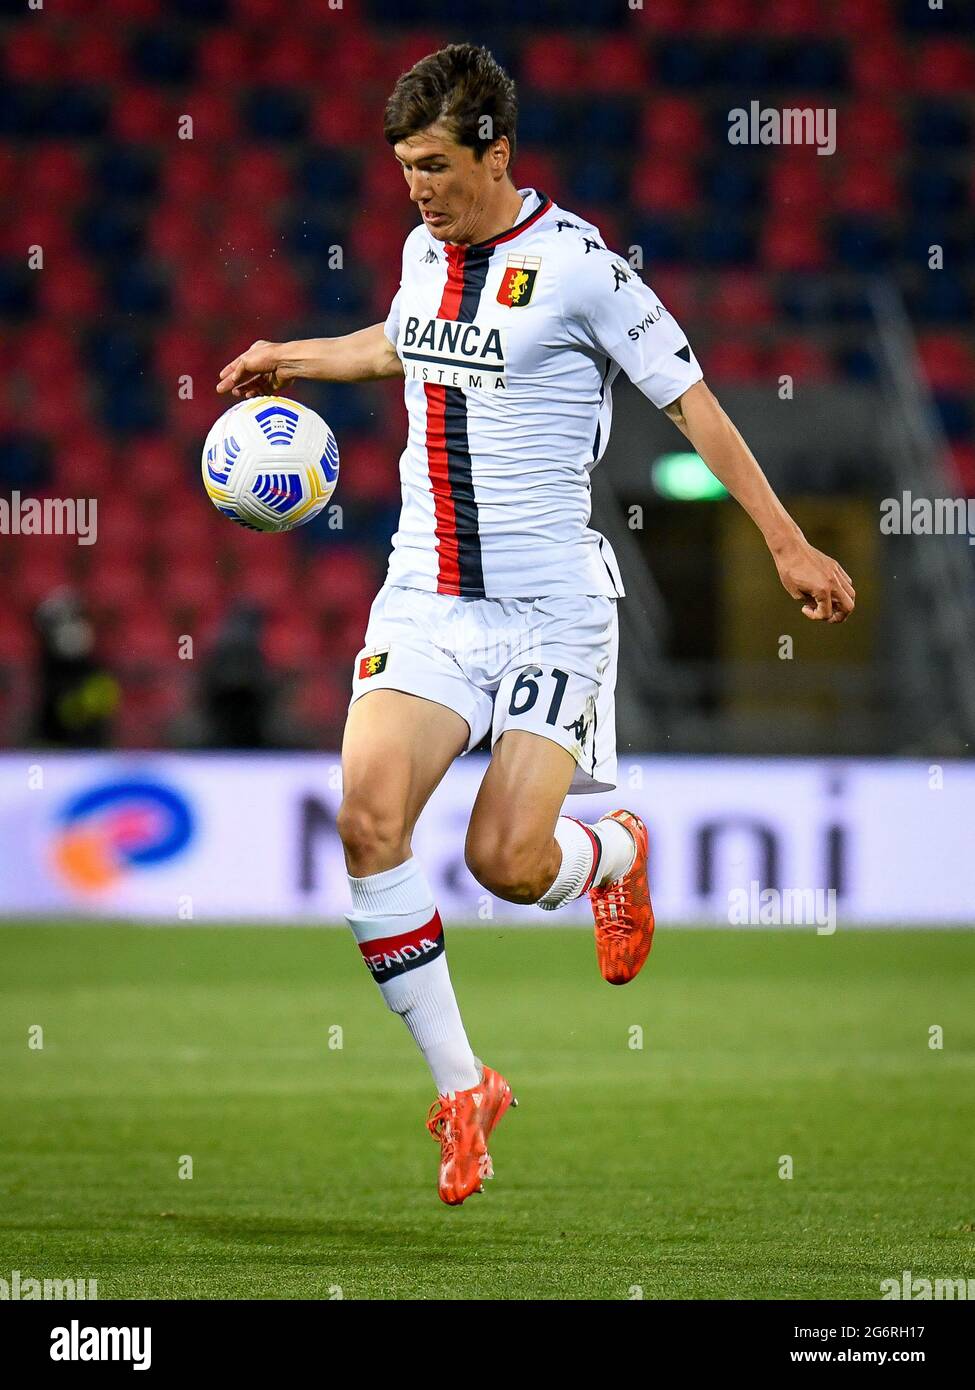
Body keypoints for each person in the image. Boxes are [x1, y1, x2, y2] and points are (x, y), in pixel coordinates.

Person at [217, 44, 855, 1206]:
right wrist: (291, 357)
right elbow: (399, 341)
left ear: (495, 152)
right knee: (366, 820)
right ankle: (464, 1087)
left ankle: (615, 853)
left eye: (435, 165)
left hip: (551, 610)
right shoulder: (423, 252)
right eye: (405, 168)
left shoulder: (582, 270)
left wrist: (785, 541)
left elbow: (694, 404)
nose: (417, 188)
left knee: (505, 863)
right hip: (426, 597)